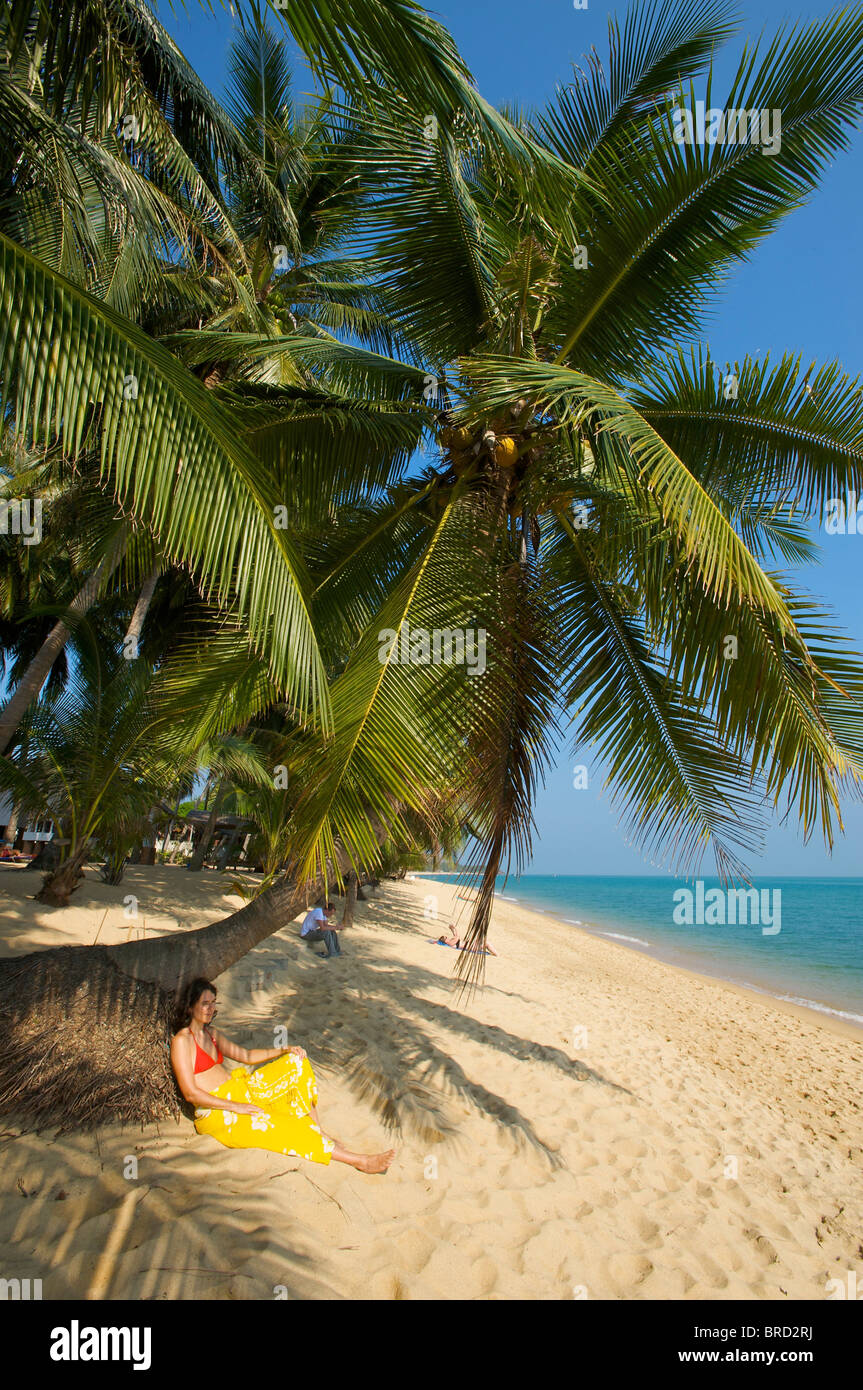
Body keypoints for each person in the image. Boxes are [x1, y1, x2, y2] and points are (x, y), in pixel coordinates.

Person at [171, 978, 396, 1174]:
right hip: (218, 1112)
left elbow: (246, 1056)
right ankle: (360, 1161)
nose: (210, 1009)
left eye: (213, 1003)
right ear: (190, 1007)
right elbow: (191, 1094)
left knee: (297, 1063)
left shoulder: (211, 1033)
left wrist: (284, 1049)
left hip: (241, 1091)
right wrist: (234, 1106)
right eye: (204, 1004)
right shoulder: (182, 1041)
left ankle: (318, 1131)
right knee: (284, 1130)